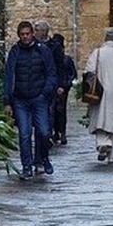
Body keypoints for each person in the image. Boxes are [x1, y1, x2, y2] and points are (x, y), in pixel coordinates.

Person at [3, 20, 57, 178]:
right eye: (22, 35)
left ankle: (43, 158)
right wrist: (7, 101)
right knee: (24, 134)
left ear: (32, 33)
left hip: (39, 97)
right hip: (20, 99)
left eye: (27, 34)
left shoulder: (43, 51)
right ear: (19, 35)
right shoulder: (15, 52)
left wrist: (46, 92)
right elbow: (8, 76)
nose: (25, 37)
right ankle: (27, 165)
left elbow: (51, 73)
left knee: (44, 132)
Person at [84, 27, 113, 163]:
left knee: (99, 120)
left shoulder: (96, 53)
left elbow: (89, 72)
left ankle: (102, 142)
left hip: (99, 91)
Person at [35, 20, 69, 154]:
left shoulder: (54, 47)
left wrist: (61, 85)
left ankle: (47, 134)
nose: (35, 32)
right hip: (36, 84)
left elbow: (60, 67)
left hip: (51, 84)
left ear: (44, 31)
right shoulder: (33, 45)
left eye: (37, 30)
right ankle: (43, 134)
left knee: (50, 110)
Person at [49, 33, 76, 146]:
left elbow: (72, 73)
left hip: (63, 88)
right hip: (58, 87)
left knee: (60, 110)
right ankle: (56, 132)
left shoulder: (66, 59)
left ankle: (61, 132)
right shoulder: (55, 58)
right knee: (54, 110)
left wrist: (67, 84)